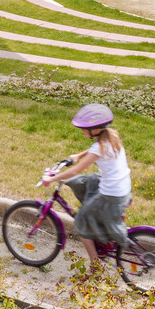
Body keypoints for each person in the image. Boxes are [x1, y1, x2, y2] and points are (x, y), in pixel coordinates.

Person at [44, 103, 132, 263]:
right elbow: (93, 150)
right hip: (122, 187)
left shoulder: (99, 147)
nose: (82, 131)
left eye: (84, 129)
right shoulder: (111, 136)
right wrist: (79, 154)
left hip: (111, 195)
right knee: (82, 181)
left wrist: (51, 179)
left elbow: (74, 170)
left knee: (80, 222)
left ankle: (95, 265)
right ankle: (96, 222)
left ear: (94, 130)